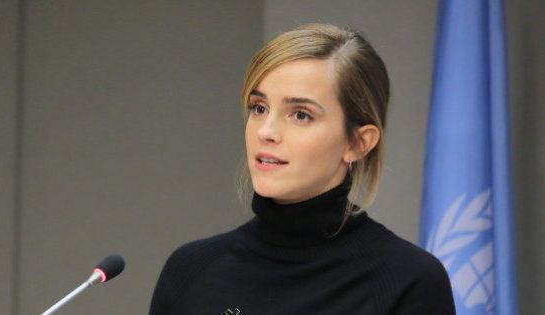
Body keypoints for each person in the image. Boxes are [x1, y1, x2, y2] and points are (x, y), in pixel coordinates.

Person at [149, 23, 455, 315]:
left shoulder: (408, 281)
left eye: (300, 115)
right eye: (259, 108)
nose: (266, 131)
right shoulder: (190, 270)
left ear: (359, 143)